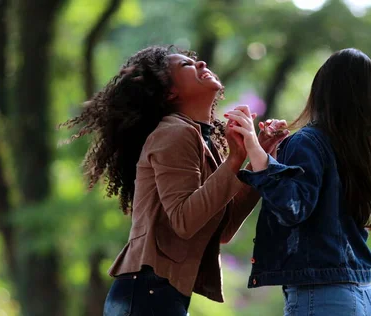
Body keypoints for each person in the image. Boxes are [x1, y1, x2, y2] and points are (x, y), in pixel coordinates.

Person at [59, 45, 289, 316]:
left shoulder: (198, 139)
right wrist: (234, 161)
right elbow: (184, 221)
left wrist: (256, 159)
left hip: (157, 295)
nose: (202, 63)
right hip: (147, 294)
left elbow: (223, 231)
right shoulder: (175, 132)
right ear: (170, 92)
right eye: (187, 66)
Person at [225, 48, 371, 316]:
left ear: (321, 91)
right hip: (364, 295)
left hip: (322, 298)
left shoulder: (308, 141)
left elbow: (293, 206)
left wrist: (255, 149)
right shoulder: (360, 151)